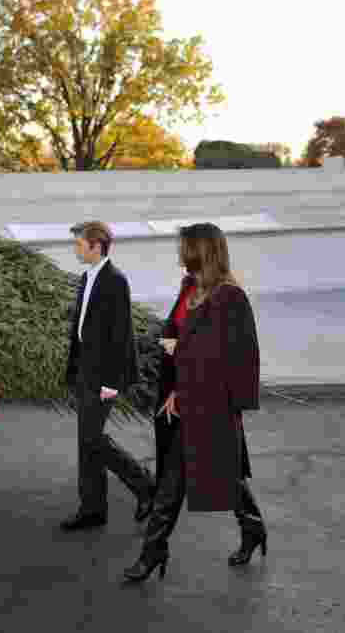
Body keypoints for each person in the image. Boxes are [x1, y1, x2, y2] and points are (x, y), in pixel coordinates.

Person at [121, 222, 266, 583]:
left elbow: (229, 355)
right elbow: (176, 331)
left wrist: (181, 374)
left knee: (209, 475)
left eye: (183, 246)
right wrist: (167, 348)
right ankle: (157, 550)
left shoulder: (229, 297)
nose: (178, 252)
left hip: (210, 403)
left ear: (200, 250)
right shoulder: (190, 289)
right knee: (187, 477)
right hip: (185, 397)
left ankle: (247, 528)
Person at [61, 221, 155, 532]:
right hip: (85, 370)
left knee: (92, 439)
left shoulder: (115, 281)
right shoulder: (86, 278)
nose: (76, 248)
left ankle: (144, 484)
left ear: (96, 245)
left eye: (79, 244)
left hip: (103, 374)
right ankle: (92, 508)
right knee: (86, 442)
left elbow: (121, 335)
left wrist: (111, 383)